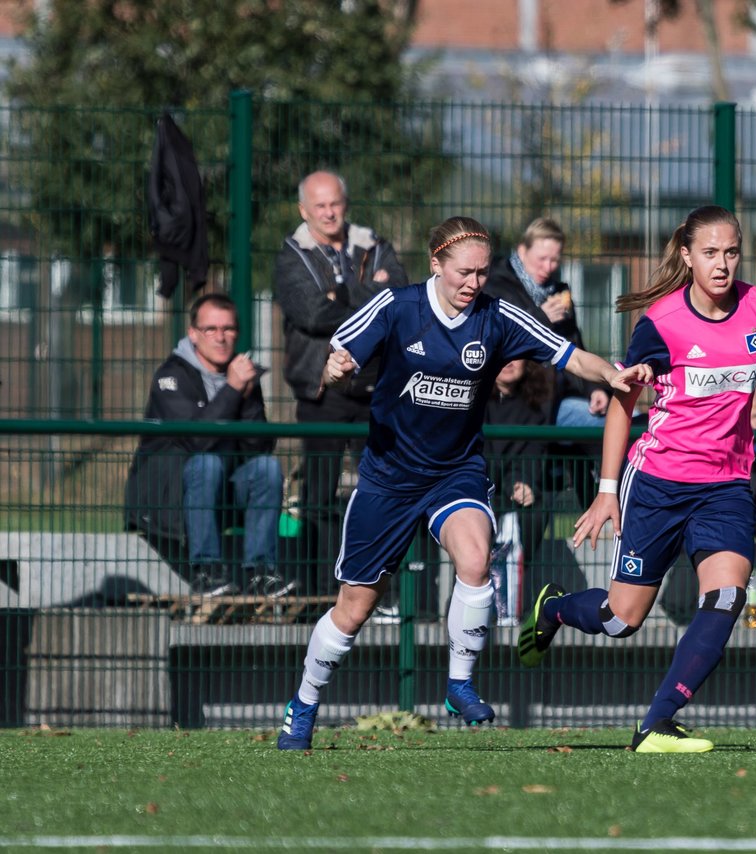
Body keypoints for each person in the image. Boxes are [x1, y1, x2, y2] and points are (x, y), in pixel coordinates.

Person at [276, 217, 649, 750]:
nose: (474, 282)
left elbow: (568, 354)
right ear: (436, 264)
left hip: (455, 472)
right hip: (389, 476)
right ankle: (304, 703)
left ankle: (459, 683)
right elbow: (344, 347)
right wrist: (338, 364)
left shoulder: (496, 316)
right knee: (355, 607)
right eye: (463, 272)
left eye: (480, 271)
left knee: (476, 560)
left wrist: (612, 374)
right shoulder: (399, 306)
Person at [517, 204, 756, 754]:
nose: (722, 264)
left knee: (725, 598)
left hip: (726, 486)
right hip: (659, 483)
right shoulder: (662, 323)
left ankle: (657, 723)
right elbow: (623, 405)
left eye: (731, 252)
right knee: (621, 621)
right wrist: (604, 491)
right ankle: (552, 607)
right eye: (710, 253)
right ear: (688, 256)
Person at [274, 170, 409, 596]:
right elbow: (310, 314)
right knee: (318, 491)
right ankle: (317, 588)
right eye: (320, 206)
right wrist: (371, 294)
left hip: (378, 388)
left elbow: (401, 295)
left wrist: (342, 293)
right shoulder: (292, 254)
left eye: (335, 203)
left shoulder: (374, 244)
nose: (329, 212)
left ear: (345, 203)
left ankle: (377, 588)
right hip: (322, 389)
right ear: (304, 210)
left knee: (384, 489)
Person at [124, 292, 286, 597]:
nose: (221, 338)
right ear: (193, 334)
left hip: (222, 492)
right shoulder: (170, 377)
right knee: (206, 462)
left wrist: (247, 395)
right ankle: (207, 571)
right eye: (211, 329)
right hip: (171, 498)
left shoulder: (241, 374)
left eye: (228, 329)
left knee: (267, 468)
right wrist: (233, 389)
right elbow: (196, 439)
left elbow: (259, 446)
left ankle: (261, 573)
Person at [483, 217, 610, 505]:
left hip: (560, 395)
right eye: (542, 258)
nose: (548, 267)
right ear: (522, 251)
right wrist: (542, 317)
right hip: (523, 401)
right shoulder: (496, 286)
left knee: (605, 423)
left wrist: (595, 390)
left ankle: (601, 505)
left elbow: (576, 347)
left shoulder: (559, 292)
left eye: (555, 260)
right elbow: (503, 337)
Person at [484, 358, 555, 625]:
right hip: (480, 486)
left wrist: (524, 483)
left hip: (514, 490)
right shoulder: (476, 402)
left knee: (537, 509)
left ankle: (510, 605)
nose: (509, 363)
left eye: (516, 356)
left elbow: (535, 453)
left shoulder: (536, 405)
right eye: (503, 356)